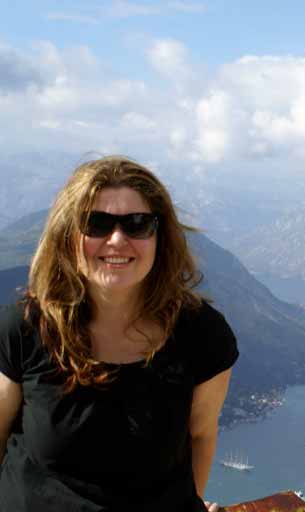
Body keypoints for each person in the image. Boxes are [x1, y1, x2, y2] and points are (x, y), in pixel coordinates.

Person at [0, 156, 238, 511]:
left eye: (137, 224)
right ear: (68, 237)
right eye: (96, 224)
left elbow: (201, 434)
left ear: (160, 236)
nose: (117, 239)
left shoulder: (202, 335)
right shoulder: (26, 328)